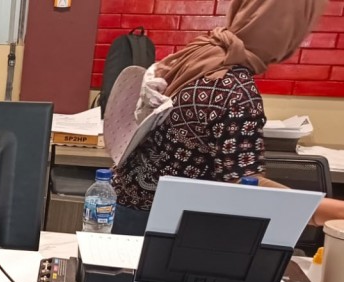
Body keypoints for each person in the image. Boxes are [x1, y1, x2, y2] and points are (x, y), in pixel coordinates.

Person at [110, 0, 343, 235]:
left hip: (128, 198)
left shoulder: (203, 51)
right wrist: (330, 211)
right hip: (167, 221)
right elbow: (244, 186)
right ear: (287, 32)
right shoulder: (236, 92)